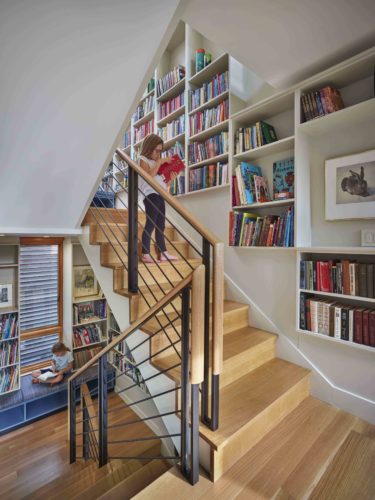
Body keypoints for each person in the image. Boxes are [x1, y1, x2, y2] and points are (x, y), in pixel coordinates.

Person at [138, 134, 179, 264]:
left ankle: (163, 253)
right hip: (150, 195)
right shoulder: (143, 159)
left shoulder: (157, 164)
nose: (158, 154)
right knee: (151, 224)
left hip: (160, 195)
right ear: (149, 148)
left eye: (160, 151)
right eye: (156, 150)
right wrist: (160, 162)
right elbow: (147, 176)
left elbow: (164, 185)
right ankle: (145, 253)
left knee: (161, 225)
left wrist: (170, 181)